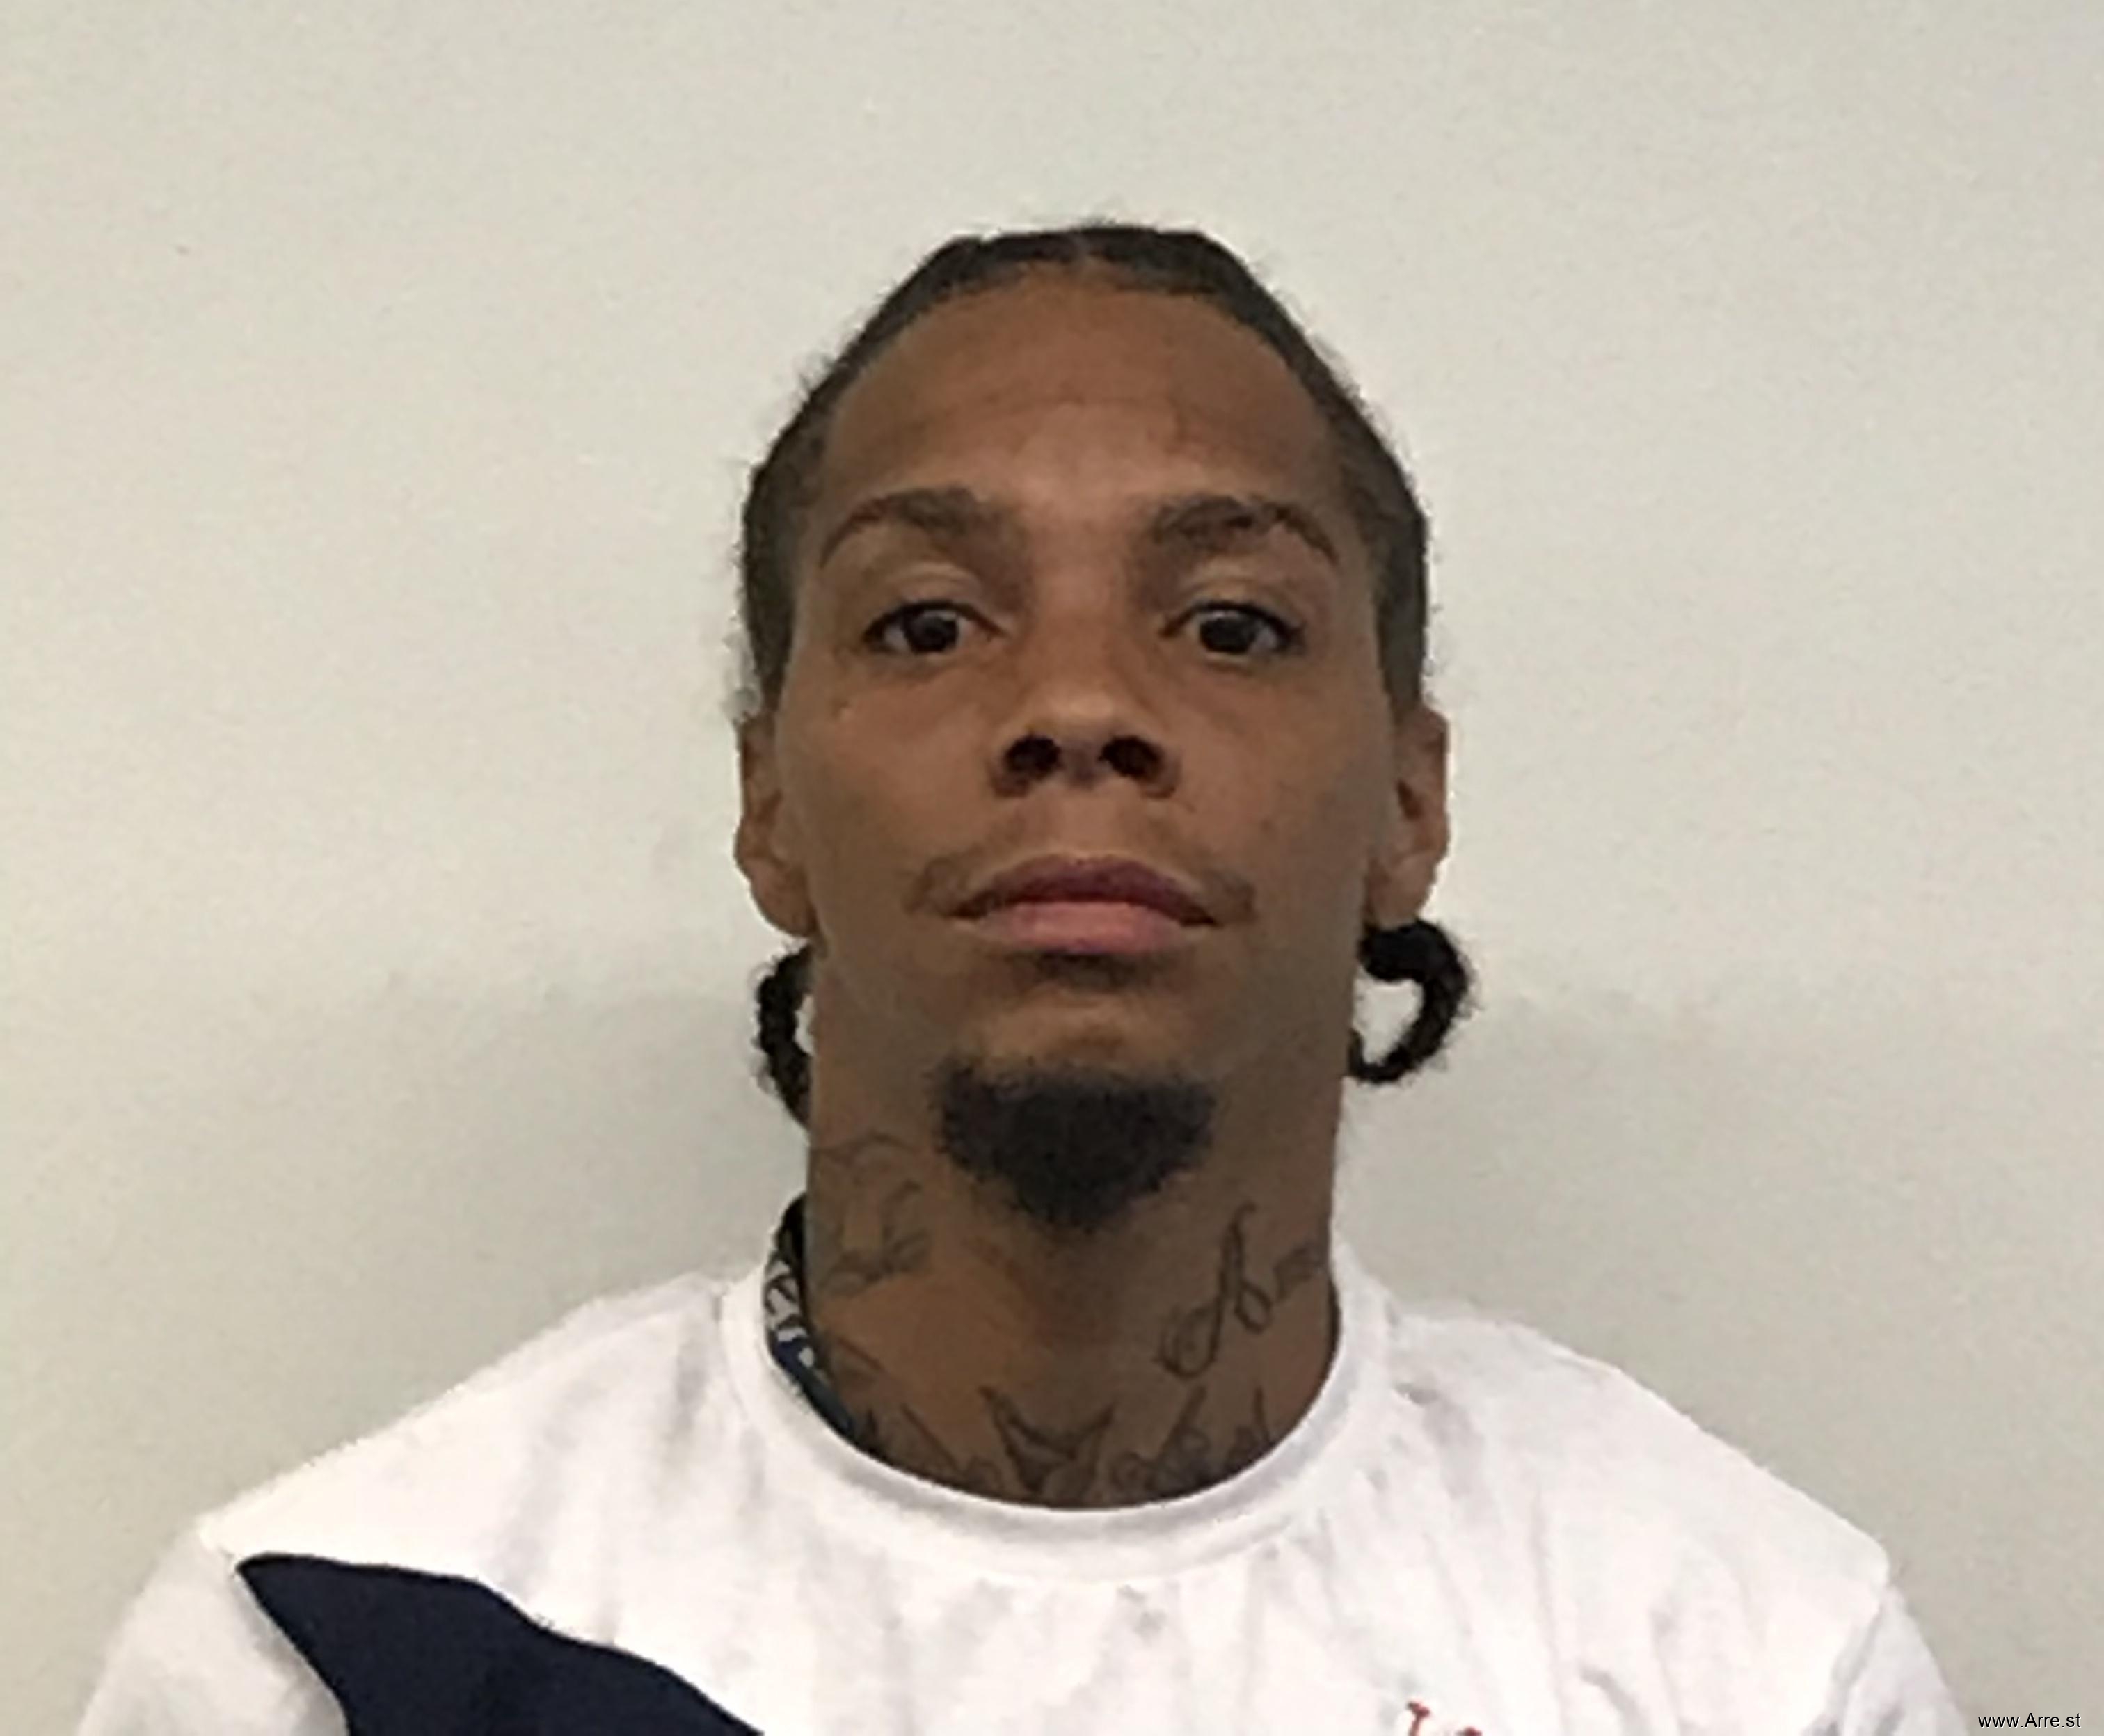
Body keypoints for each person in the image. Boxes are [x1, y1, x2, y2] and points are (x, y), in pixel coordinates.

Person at [78, 221, 1964, 1732]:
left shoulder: (1751, 1651)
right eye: (929, 624)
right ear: (769, 803)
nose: (1077, 705)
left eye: (1230, 625)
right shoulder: (350, 1644)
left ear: (1408, 802)